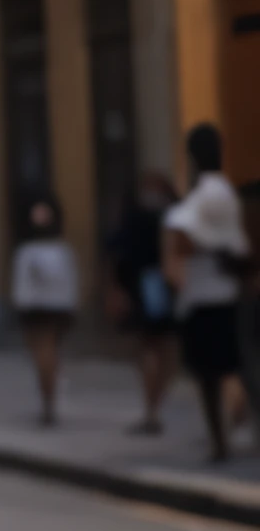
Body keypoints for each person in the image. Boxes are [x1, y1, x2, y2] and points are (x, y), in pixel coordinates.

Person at [163, 121, 252, 461]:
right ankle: (233, 427)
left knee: (209, 375)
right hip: (226, 290)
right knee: (229, 365)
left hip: (201, 295)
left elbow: (182, 238)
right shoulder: (227, 192)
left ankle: (221, 439)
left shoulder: (202, 196)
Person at [105, 168, 178, 437]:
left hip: (152, 285)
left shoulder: (140, 216)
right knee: (156, 346)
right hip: (155, 285)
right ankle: (153, 406)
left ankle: (153, 407)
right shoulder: (169, 215)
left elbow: (114, 251)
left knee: (153, 347)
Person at [8, 194, 79, 426]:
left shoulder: (28, 252)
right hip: (57, 306)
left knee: (42, 353)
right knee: (50, 352)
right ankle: (49, 398)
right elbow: (71, 281)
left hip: (37, 307)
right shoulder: (62, 250)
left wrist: (20, 306)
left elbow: (21, 285)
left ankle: (48, 400)